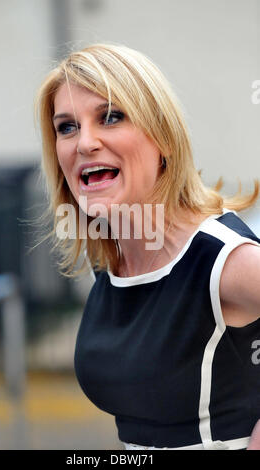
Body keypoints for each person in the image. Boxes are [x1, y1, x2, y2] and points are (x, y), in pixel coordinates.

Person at [35, 43, 260, 450]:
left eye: (110, 117)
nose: (84, 142)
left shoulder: (225, 260)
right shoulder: (108, 260)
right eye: (66, 127)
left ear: (165, 139)